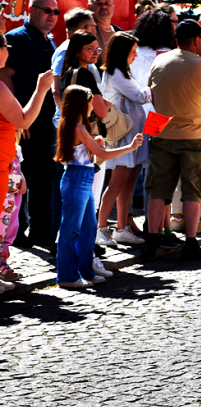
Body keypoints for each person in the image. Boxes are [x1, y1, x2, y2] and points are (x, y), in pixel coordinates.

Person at [142, 19, 201, 261]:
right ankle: (190, 243)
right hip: (194, 135)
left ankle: (151, 241)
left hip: (163, 134)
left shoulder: (159, 60)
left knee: (158, 190)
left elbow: (153, 97)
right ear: (196, 40)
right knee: (192, 191)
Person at [55, 85, 143, 288]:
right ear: (81, 104)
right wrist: (130, 147)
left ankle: (84, 271)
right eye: (89, 103)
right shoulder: (77, 127)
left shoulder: (72, 125)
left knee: (88, 228)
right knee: (72, 229)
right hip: (78, 178)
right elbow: (103, 155)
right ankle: (67, 276)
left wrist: (93, 142)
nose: (92, 107)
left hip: (80, 177)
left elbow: (88, 153)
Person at [0, 0, 59, 251]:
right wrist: (17, 117)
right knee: (19, 181)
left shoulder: (49, 40)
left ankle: (41, 232)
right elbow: (4, 75)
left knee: (45, 178)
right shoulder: (17, 38)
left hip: (46, 122)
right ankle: (16, 234)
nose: (53, 15)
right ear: (32, 11)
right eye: (47, 10)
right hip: (23, 124)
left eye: (56, 12)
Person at [96, 32, 151, 246]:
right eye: (133, 52)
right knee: (117, 183)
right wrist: (152, 87)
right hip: (122, 137)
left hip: (132, 135)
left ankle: (122, 227)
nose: (136, 56)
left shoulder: (123, 72)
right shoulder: (115, 73)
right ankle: (101, 228)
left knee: (128, 182)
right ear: (122, 53)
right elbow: (139, 96)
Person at [88, 0, 120, 65]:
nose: (104, 6)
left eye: (107, 3)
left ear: (113, 7)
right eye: (98, 3)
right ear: (89, 7)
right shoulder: (87, 35)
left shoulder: (119, 33)